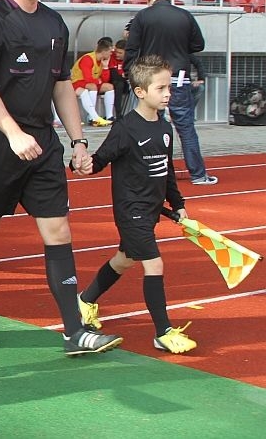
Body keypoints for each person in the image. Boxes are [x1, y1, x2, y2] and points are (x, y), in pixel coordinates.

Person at [0, 0, 123, 355]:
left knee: (58, 229)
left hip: (44, 143)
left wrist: (79, 140)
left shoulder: (54, 24)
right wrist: (12, 132)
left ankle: (73, 331)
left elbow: (62, 85)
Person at [76, 55, 197, 354]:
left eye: (169, 88)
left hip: (152, 210)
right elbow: (101, 160)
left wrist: (178, 203)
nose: (168, 94)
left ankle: (85, 300)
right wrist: (83, 163)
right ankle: (163, 332)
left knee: (125, 260)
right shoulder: (126, 128)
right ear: (141, 91)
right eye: (161, 88)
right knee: (154, 264)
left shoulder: (165, 128)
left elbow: (167, 171)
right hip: (131, 211)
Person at [124, 0, 217, 185]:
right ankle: (198, 175)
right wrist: (180, 46)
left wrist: (129, 72)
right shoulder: (184, 15)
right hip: (178, 78)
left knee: (149, 127)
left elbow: (131, 48)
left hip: (151, 79)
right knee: (186, 128)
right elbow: (198, 45)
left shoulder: (143, 16)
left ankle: (150, 172)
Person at [72, 37, 115, 126]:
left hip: (91, 83)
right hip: (76, 82)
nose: (111, 54)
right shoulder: (88, 58)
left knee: (109, 87)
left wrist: (105, 67)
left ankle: (109, 116)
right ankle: (92, 117)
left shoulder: (102, 61)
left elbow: (105, 80)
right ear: (104, 51)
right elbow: (88, 79)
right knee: (92, 86)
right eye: (110, 52)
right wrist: (98, 81)